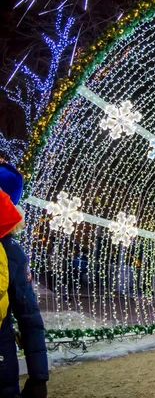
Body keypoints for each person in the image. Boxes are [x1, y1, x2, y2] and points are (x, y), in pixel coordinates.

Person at [0, 163, 48, 398]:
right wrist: (39, 376)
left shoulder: (11, 255)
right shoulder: (12, 253)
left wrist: (39, 377)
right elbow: (29, 317)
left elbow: (28, 317)